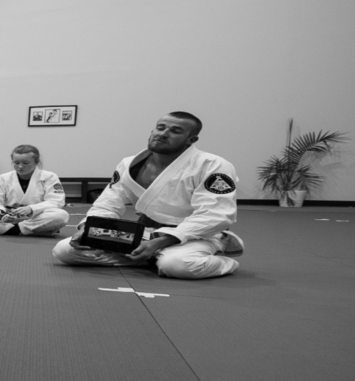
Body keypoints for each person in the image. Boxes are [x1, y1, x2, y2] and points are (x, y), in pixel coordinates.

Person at [52, 112, 245, 279]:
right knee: (65, 251)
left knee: (177, 265)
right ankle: (153, 258)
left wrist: (165, 240)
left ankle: (221, 260)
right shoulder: (129, 164)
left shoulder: (213, 165)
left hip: (195, 235)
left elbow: (216, 215)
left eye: (175, 131)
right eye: (160, 128)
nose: (163, 134)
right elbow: (108, 204)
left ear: (191, 139)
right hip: (144, 234)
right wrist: (89, 230)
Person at [0, 145, 69, 236]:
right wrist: (2, 215)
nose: (20, 166)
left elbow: (56, 201)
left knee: (61, 216)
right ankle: (32, 230)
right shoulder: (4, 178)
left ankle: (10, 230)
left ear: (36, 162)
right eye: (16, 162)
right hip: (9, 219)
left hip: (35, 217)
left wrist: (31, 208)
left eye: (26, 163)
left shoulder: (49, 177)